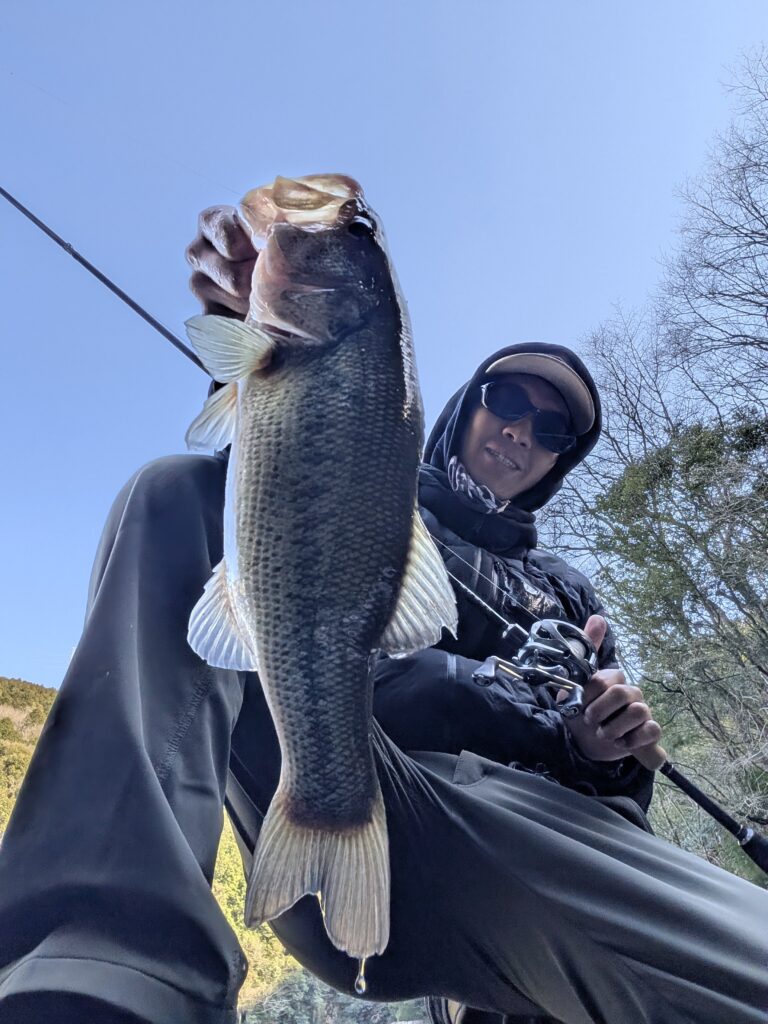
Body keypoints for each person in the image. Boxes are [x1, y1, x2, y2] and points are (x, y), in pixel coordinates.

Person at [0, 207, 767, 1024]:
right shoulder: (382, 494)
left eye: (552, 430)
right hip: (371, 790)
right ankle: (107, 970)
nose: (521, 431)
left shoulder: (573, 591)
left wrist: (610, 750)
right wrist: (265, 370)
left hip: (559, 849)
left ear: (556, 463)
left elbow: (621, 802)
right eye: (507, 400)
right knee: (180, 496)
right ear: (465, 405)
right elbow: (278, 524)